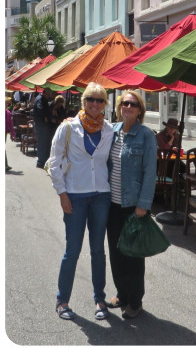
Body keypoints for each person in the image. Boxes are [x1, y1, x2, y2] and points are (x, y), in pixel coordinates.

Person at [49, 82, 114, 321]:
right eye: (91, 100)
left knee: (98, 250)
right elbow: (54, 163)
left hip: (101, 196)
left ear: (105, 104)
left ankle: (99, 298)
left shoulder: (108, 130)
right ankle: (62, 300)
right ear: (83, 102)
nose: (94, 104)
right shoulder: (68, 128)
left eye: (99, 100)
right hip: (75, 195)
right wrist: (62, 194)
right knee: (72, 250)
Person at [106, 91, 157, 319]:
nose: (128, 106)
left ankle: (135, 301)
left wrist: (143, 205)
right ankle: (122, 294)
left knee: (133, 257)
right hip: (111, 204)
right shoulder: (112, 132)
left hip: (133, 206)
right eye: (124, 103)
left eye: (133, 104)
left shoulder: (146, 135)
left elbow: (150, 173)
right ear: (119, 107)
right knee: (116, 253)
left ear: (139, 110)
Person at [33, 88, 55, 168]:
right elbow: (40, 109)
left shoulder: (40, 98)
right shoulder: (40, 99)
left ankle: (42, 161)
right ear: (45, 93)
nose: (48, 96)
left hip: (41, 124)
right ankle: (41, 162)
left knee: (43, 143)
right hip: (41, 124)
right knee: (43, 143)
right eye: (48, 95)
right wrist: (46, 117)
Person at [5, 97, 16, 172]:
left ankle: (5, 164)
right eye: (6, 103)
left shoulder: (8, 113)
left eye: (7, 103)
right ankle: (5, 164)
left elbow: (10, 124)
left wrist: (13, 134)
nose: (7, 104)